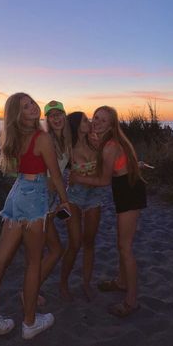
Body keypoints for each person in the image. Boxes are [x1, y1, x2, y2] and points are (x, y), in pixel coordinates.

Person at [0, 93, 70, 340]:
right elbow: (56, 176)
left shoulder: (15, 137)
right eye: (25, 106)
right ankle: (29, 323)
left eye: (31, 102)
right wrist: (64, 200)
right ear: (18, 114)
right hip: (34, 197)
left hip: (17, 193)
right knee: (33, 262)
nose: (32, 107)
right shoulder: (42, 138)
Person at [71, 106, 146, 317]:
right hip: (124, 190)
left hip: (130, 192)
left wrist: (78, 178)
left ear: (112, 125)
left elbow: (103, 181)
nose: (97, 122)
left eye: (104, 120)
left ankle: (131, 301)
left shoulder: (110, 146)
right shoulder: (107, 142)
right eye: (95, 117)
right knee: (121, 243)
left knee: (125, 247)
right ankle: (121, 282)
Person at [60, 111, 109, 301]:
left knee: (89, 242)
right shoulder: (68, 149)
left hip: (95, 196)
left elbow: (109, 165)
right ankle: (63, 283)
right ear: (76, 125)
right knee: (74, 242)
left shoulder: (97, 143)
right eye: (85, 121)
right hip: (74, 197)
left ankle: (86, 283)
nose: (89, 122)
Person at [40, 101, 72, 290]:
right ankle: (29, 292)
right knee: (51, 250)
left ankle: (31, 291)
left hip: (51, 198)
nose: (57, 118)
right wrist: (64, 199)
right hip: (41, 197)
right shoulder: (47, 139)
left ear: (64, 115)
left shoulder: (66, 140)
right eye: (52, 115)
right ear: (47, 119)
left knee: (50, 249)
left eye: (59, 114)